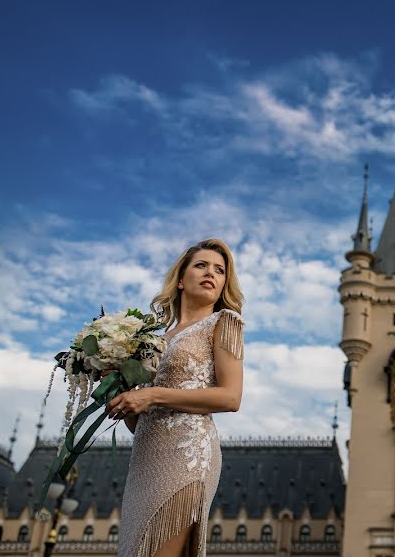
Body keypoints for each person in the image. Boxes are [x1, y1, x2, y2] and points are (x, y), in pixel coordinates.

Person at [108, 238, 245, 557]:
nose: (211, 273)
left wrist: (152, 394)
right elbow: (141, 423)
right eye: (201, 265)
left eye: (220, 270)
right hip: (146, 459)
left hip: (188, 457)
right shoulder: (153, 342)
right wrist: (123, 396)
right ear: (181, 279)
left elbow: (231, 397)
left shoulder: (225, 322)